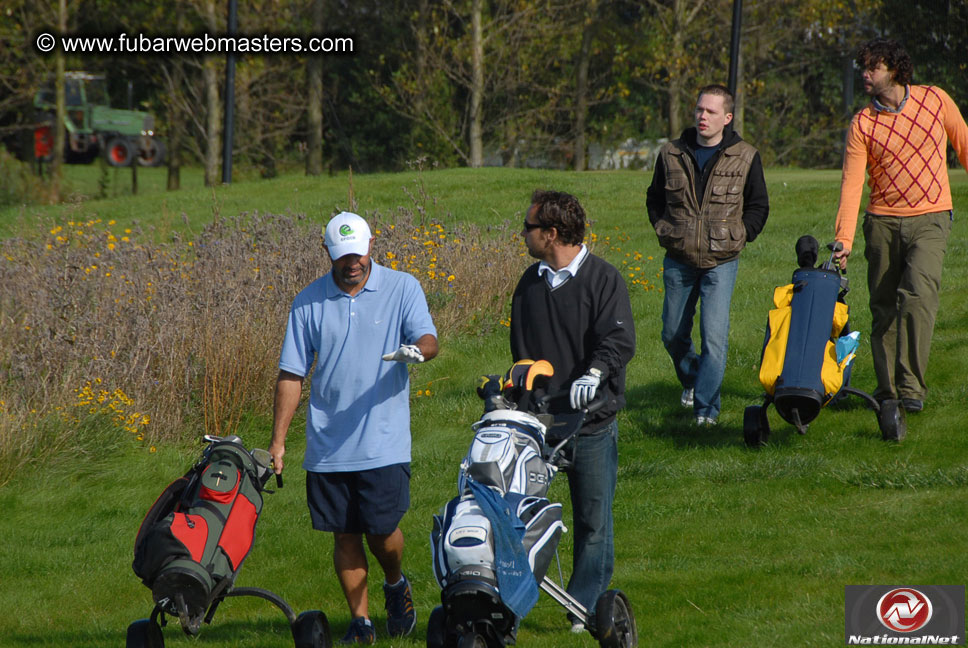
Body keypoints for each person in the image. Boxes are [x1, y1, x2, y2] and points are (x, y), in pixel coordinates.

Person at [269, 211, 438, 645]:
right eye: (343, 256)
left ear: (372, 246)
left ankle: (395, 583)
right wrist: (278, 442)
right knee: (344, 533)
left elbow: (428, 339)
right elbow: (292, 374)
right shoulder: (307, 302)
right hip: (328, 444)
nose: (352, 264)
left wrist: (417, 352)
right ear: (327, 252)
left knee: (382, 531)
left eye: (358, 254)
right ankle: (361, 623)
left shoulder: (402, 287)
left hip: (383, 440)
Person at [509, 190, 636, 633]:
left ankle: (584, 609)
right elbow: (522, 352)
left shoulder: (603, 279)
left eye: (528, 227)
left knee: (592, 521)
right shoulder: (529, 283)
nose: (522, 234)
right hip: (539, 423)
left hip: (591, 422)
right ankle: (511, 602)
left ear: (551, 233)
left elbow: (619, 339)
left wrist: (595, 373)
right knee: (519, 515)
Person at [833, 38, 968, 413]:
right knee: (883, 308)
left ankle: (910, 389)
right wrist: (843, 240)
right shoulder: (863, 123)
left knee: (917, 297)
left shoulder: (935, 100)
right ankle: (887, 392)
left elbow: (964, 144)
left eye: (872, 67)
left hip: (931, 217)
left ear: (894, 69)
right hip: (882, 222)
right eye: (863, 67)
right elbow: (852, 184)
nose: (865, 74)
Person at [646, 84, 770, 426]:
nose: (703, 116)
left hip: (722, 261)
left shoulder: (746, 155)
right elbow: (655, 198)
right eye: (699, 109)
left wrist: (741, 235)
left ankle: (706, 411)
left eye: (711, 111)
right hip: (679, 258)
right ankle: (693, 378)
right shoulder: (670, 153)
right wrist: (663, 228)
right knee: (672, 334)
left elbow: (758, 205)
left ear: (727, 118)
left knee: (714, 338)